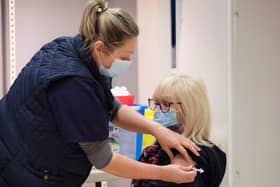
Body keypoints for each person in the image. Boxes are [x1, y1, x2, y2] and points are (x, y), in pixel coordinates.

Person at [0, 0, 201, 186]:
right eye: (125, 56)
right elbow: (104, 160)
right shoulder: (74, 84)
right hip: (20, 170)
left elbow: (112, 108)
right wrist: (164, 173)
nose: (128, 63)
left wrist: (158, 130)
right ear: (100, 48)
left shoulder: (76, 50)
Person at [131, 74, 226, 187]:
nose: (157, 109)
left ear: (189, 109)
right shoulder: (213, 151)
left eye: (166, 104)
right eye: (156, 103)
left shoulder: (181, 152)